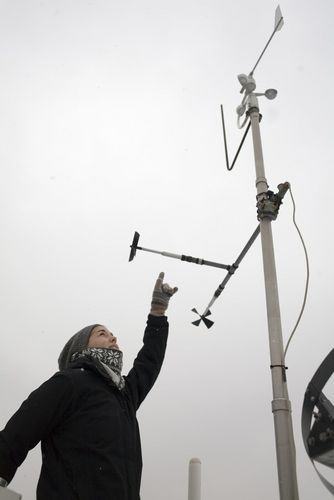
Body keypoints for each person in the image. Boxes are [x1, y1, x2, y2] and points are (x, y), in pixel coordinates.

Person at [0, 272, 177, 500]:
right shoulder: (70, 382)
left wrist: (158, 313)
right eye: (103, 334)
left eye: (113, 335)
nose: (113, 338)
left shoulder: (124, 394)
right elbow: (19, 431)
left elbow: (148, 363)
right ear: (81, 347)